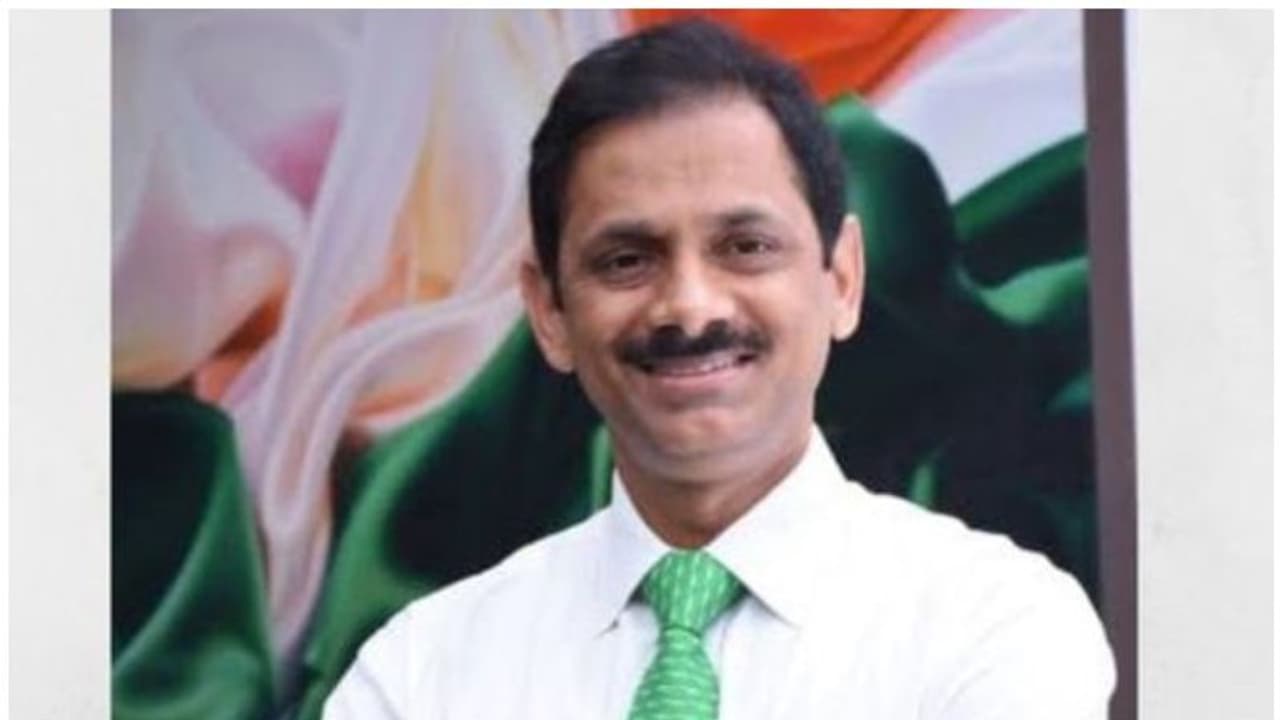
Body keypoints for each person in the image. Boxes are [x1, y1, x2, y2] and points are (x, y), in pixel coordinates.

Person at [324, 18, 1115, 719]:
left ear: (842, 281)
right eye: (627, 259)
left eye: (746, 247)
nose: (690, 307)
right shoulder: (421, 671)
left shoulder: (995, 626)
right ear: (550, 312)